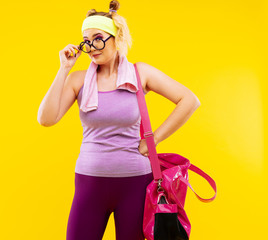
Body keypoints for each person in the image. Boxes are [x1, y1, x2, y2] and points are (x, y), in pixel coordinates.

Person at [37, 1, 200, 239]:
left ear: (117, 37)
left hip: (135, 184)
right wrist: (63, 69)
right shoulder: (78, 79)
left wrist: (152, 141)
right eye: (86, 40)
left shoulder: (140, 73)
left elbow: (189, 100)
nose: (92, 46)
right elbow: (46, 119)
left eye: (98, 38)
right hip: (89, 183)